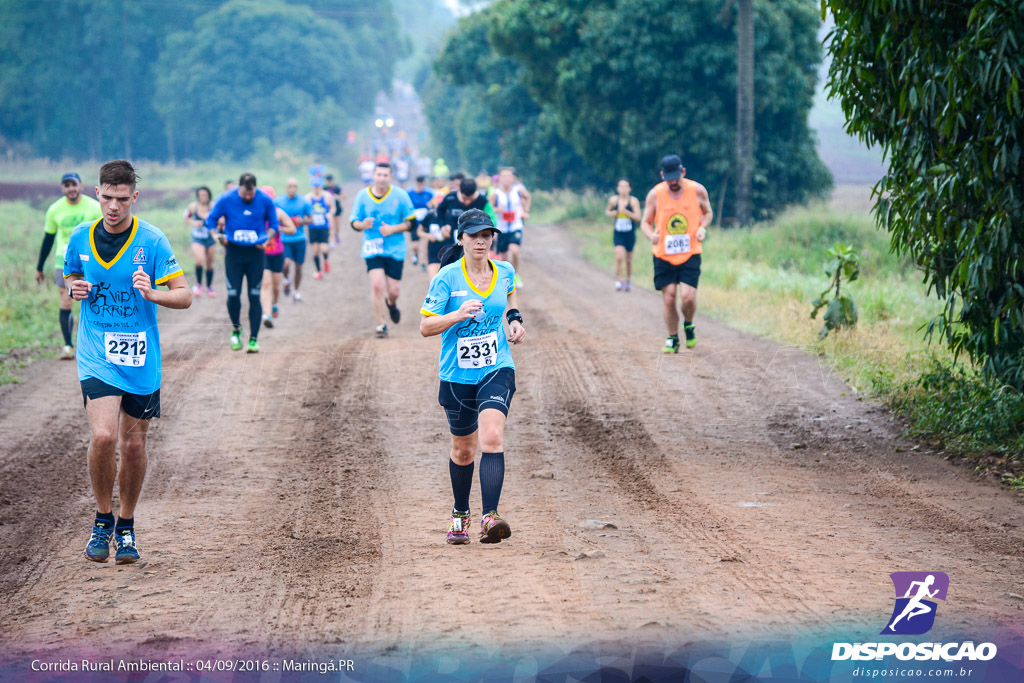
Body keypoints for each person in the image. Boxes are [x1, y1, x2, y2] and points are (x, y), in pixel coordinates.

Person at [64, 159, 191, 564]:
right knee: (103, 438)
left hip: (140, 358)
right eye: (106, 197)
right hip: (96, 351)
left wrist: (154, 294)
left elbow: (185, 295)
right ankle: (103, 519)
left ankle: (127, 526)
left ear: (134, 197)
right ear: (96, 194)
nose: (113, 206)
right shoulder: (79, 236)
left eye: (122, 199)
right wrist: (74, 287)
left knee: (133, 446)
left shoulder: (152, 242)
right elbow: (68, 277)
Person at [419, 209, 525, 545]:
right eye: (474, 235)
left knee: (492, 437)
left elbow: (510, 298)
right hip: (456, 375)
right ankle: (460, 513)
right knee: (463, 451)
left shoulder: (504, 270)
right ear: (461, 238)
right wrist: (455, 314)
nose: (481, 241)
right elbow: (425, 327)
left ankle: (490, 516)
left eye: (487, 235)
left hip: (496, 365)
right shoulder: (446, 278)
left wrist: (514, 321)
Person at [640, 154, 713, 353]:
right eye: (669, 178)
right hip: (663, 254)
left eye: (676, 177)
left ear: (683, 172)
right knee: (670, 297)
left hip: (690, 252)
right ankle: (672, 338)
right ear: (663, 175)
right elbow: (645, 222)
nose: (673, 182)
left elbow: (708, 212)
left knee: (688, 297)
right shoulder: (654, 194)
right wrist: (650, 235)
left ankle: (688, 324)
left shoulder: (697, 190)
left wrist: (702, 229)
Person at [205, 172, 279, 352]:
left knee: (254, 295)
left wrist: (267, 239)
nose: (247, 197)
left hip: (255, 254)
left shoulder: (265, 200)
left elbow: (274, 225)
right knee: (233, 294)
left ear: (255, 188)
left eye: (250, 194)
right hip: (234, 253)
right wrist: (217, 236)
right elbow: (211, 220)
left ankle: (254, 339)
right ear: (239, 187)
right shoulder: (226, 199)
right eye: (244, 194)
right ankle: (236, 330)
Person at [35, 171, 102, 360]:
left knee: (94, 300)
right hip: (63, 262)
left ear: (80, 186)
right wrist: (39, 266)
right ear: (62, 188)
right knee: (66, 300)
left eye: (74, 184)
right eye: (67, 185)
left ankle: (94, 344)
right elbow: (48, 239)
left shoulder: (94, 207)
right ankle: (68, 346)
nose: (71, 188)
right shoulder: (54, 210)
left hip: (92, 261)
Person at [349, 162, 415, 338]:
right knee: (377, 285)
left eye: (385, 175)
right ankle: (381, 324)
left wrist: (393, 229)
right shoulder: (363, 196)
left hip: (395, 249)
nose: (382, 178)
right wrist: (362, 224)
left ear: (391, 177)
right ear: (373, 175)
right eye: (379, 174)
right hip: (372, 247)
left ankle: (391, 304)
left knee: (394, 291)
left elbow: (412, 223)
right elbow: (353, 222)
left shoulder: (400, 195)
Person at [431, 177, 497, 280]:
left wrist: (492, 231)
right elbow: (439, 211)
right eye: (464, 198)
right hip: (452, 240)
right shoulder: (450, 198)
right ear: (459, 191)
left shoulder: (483, 201)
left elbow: (492, 218)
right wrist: (443, 226)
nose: (467, 202)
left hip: (473, 242)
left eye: (470, 199)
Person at [258, 186, 296, 329]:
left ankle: (274, 305)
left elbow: (292, 229)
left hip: (278, 253)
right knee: (266, 284)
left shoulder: (278, 213)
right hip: (262, 254)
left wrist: (277, 228)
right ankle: (266, 315)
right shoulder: (257, 213)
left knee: (276, 285)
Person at [492, 167, 531, 288]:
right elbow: (488, 208)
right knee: (504, 257)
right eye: (504, 176)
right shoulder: (496, 193)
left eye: (509, 176)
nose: (507, 178)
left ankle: (516, 275)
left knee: (514, 251)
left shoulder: (518, 189)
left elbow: (528, 197)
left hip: (516, 226)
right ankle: (508, 278)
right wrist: (497, 209)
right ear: (500, 178)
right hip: (501, 228)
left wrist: (525, 211)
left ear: (513, 178)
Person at [276, 178, 312, 301]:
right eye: (290, 186)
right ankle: (286, 280)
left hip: (300, 239)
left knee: (298, 267)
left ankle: (296, 291)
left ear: (297, 188)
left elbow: (311, 219)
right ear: (286, 188)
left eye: (295, 186)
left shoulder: (303, 201)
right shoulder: (279, 201)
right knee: (285, 264)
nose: (292, 189)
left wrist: (303, 221)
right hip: (284, 239)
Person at [605, 179, 641, 292]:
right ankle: (619, 280)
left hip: (630, 233)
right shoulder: (613, 200)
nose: (623, 189)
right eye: (621, 186)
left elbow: (638, 217)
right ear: (617, 188)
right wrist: (612, 213)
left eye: (625, 186)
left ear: (630, 188)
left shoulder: (633, 201)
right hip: (618, 233)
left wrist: (625, 211)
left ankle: (628, 280)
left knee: (629, 259)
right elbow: (607, 211)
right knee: (619, 256)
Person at [185, 186, 217, 297]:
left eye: (205, 195)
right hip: (197, 237)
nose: (203, 197)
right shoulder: (193, 206)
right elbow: (187, 218)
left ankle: (209, 286)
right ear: (198, 196)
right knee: (199, 260)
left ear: (209, 195)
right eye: (201, 195)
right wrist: (194, 223)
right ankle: (198, 285)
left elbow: (221, 219)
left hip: (211, 237)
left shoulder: (213, 206)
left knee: (209, 263)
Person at [306, 177, 333, 279]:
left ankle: (326, 260)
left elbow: (333, 208)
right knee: (315, 250)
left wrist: (330, 214)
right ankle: (318, 271)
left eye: (318, 186)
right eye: (315, 186)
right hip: (312, 227)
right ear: (312, 187)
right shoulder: (308, 198)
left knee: (324, 248)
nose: (316, 188)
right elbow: (305, 210)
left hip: (323, 226)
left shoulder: (327, 196)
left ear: (321, 186)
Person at [407, 175, 435, 269]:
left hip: (425, 222)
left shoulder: (429, 193)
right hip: (415, 222)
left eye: (422, 184)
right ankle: (415, 254)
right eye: (418, 184)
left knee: (426, 243)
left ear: (424, 183)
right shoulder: (410, 193)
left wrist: (431, 206)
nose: (420, 186)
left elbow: (434, 205)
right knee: (415, 245)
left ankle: (424, 263)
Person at [324, 174, 346, 246]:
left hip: (337, 209)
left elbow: (344, 196)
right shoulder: (325, 188)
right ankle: (331, 239)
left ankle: (337, 235)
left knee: (337, 224)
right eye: (328, 181)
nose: (329, 182)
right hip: (328, 209)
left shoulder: (337, 188)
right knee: (330, 225)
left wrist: (338, 197)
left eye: (330, 181)